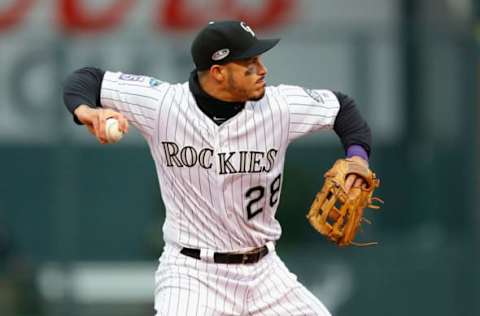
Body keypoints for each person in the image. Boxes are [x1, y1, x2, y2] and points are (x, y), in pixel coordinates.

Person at [63, 20, 372, 316]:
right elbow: (85, 79)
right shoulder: (163, 105)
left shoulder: (279, 107)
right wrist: (87, 112)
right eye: (249, 63)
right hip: (193, 275)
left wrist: (358, 158)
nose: (262, 70)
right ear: (218, 72)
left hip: (266, 272)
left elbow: (342, 108)